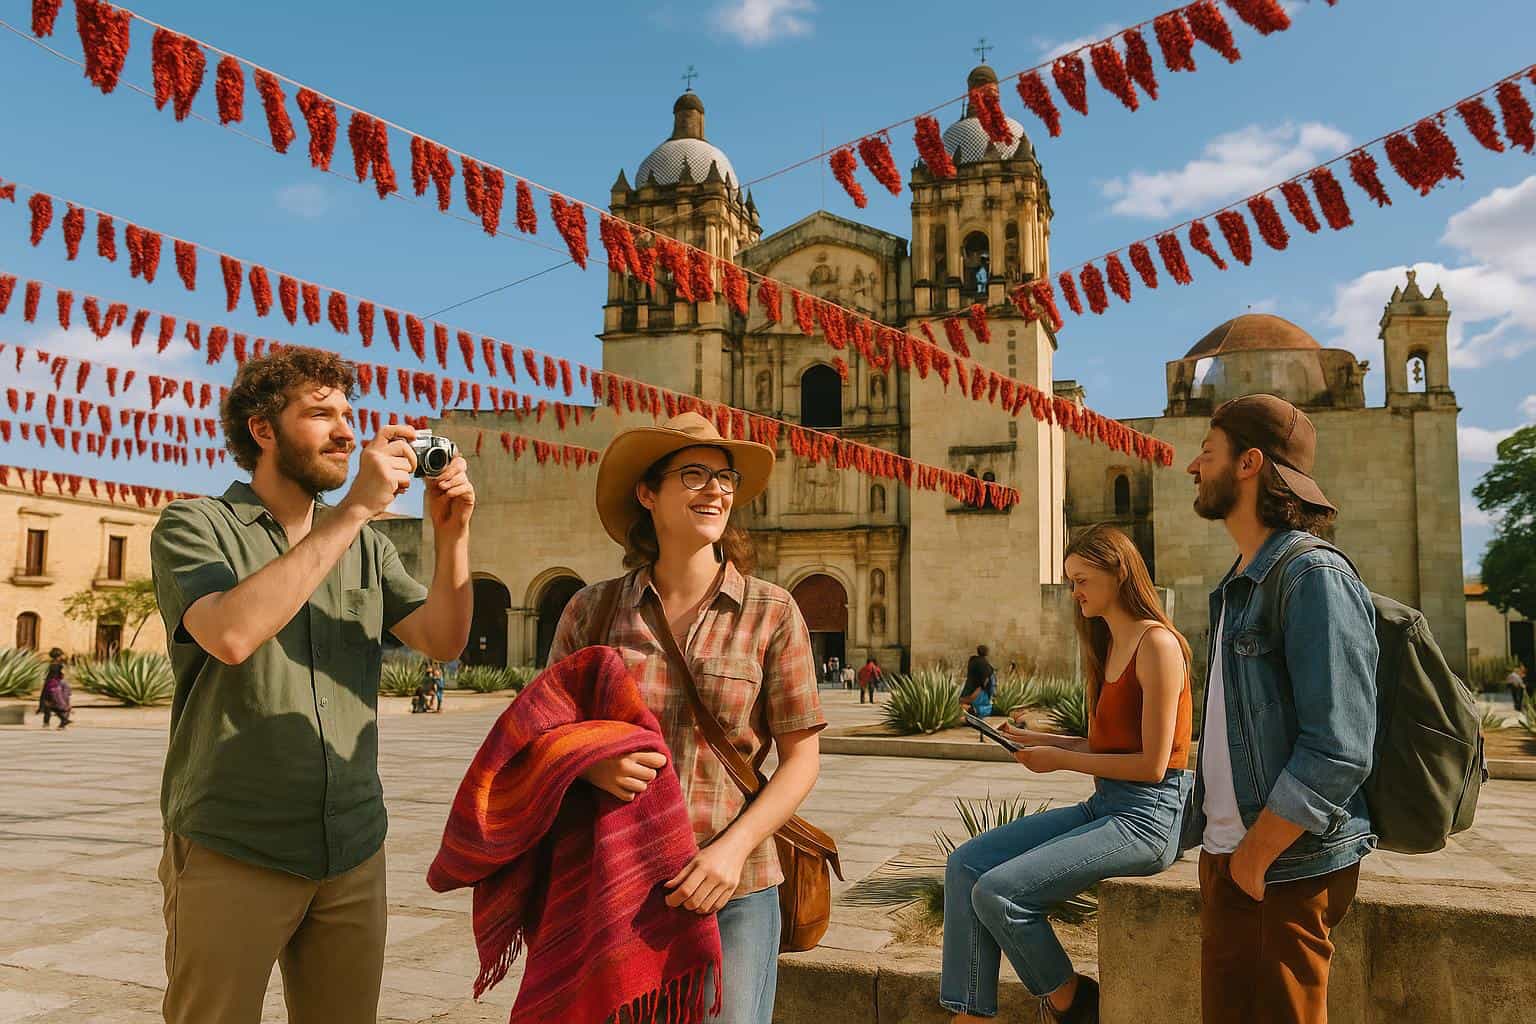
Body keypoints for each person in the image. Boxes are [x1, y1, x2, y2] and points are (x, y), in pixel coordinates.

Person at [149, 348, 476, 1024]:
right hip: (233, 842)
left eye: (349, 415)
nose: (346, 431)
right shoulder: (195, 525)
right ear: (262, 429)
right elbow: (231, 634)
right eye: (320, 413)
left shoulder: (369, 549)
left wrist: (454, 537)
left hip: (353, 844)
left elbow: (443, 642)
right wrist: (355, 509)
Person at [548, 411, 825, 1024]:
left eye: (725, 478)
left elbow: (802, 758)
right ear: (647, 493)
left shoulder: (771, 612)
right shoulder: (590, 612)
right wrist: (592, 768)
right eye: (694, 474)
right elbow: (545, 736)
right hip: (612, 882)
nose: (717, 491)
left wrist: (732, 851)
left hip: (733, 886)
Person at [942, 525, 1194, 1024]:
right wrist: (1039, 740)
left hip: (1149, 819)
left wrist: (1060, 760)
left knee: (1000, 892)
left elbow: (1152, 764)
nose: (1073, 592)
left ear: (1119, 573)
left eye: (1082, 579)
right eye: (1070, 580)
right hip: (1106, 806)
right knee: (966, 865)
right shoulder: (1106, 646)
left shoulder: (1157, 645)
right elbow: (1104, 746)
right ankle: (970, 1015)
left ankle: (1071, 1001)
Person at [1182, 394, 1377, 1024]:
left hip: (1279, 868)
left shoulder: (1310, 575)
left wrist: (1254, 857)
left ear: (1249, 464)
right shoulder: (1242, 580)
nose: (1192, 465)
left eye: (1207, 452)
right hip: (1234, 861)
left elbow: (1340, 745)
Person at [38, 647, 72, 729]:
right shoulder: (58, 665)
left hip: (52, 686)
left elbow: (53, 677)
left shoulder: (53, 665)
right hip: (54, 686)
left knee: (49, 704)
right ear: (58, 656)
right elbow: (61, 676)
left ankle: (59, 721)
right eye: (61, 655)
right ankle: (62, 721)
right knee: (52, 704)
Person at [960, 644, 996, 718]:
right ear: (986, 653)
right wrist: (980, 689)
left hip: (970, 688)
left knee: (965, 703)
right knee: (982, 707)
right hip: (980, 691)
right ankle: (975, 711)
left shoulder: (972, 661)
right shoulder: (985, 664)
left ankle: (971, 710)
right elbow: (986, 678)